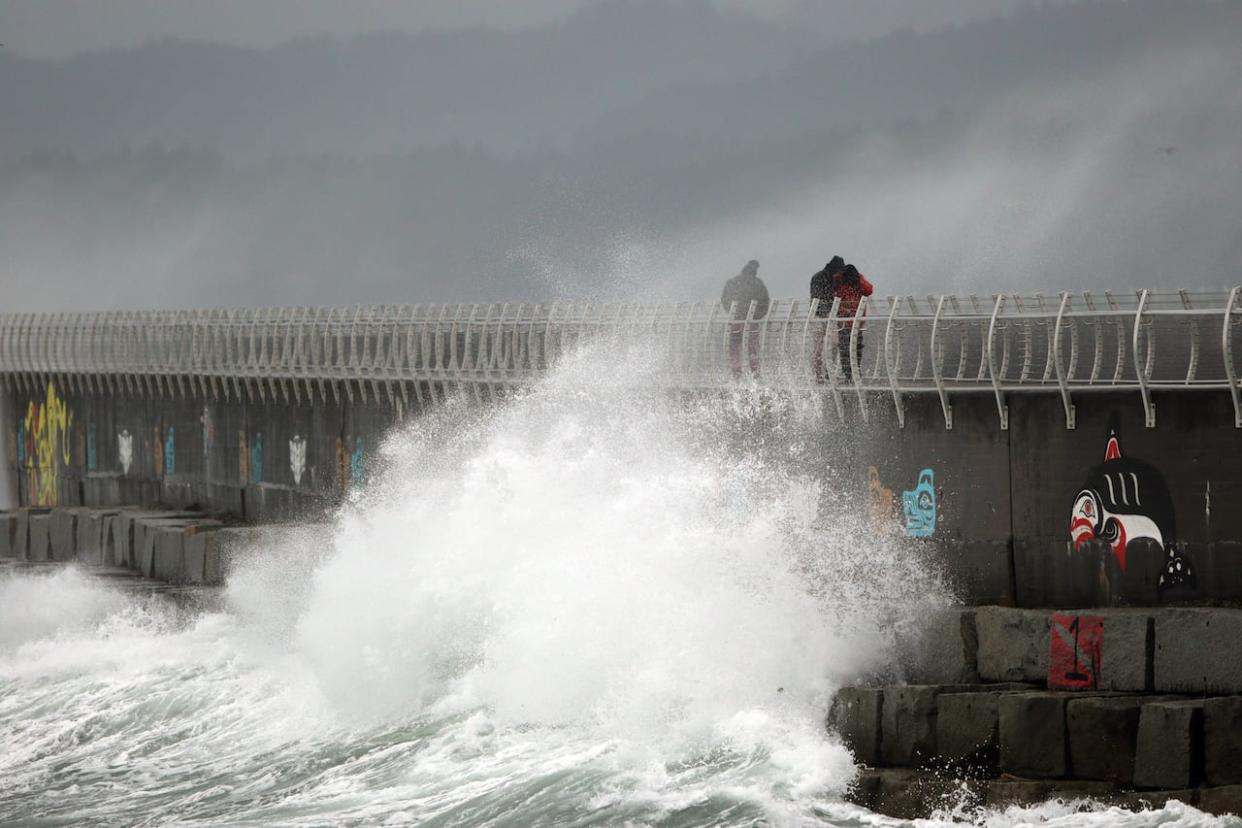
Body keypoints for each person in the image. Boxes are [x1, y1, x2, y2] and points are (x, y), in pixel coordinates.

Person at [720, 259, 769, 378]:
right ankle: (755, 372)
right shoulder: (757, 283)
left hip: (735, 320)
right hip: (751, 321)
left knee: (734, 345)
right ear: (755, 270)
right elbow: (765, 301)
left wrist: (732, 312)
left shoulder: (732, 282)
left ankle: (736, 371)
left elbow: (724, 299)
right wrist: (756, 316)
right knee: (752, 346)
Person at [832, 264, 874, 381]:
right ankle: (851, 374)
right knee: (849, 349)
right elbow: (834, 299)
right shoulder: (840, 282)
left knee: (853, 348)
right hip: (846, 321)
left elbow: (869, 290)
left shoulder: (857, 282)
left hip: (854, 322)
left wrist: (859, 279)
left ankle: (853, 373)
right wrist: (844, 310)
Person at [810, 256, 845, 381]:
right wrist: (833, 302)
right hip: (822, 315)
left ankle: (824, 372)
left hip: (820, 314)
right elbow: (822, 295)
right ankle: (821, 373)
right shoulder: (822, 278)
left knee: (825, 345)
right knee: (825, 345)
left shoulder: (824, 277)